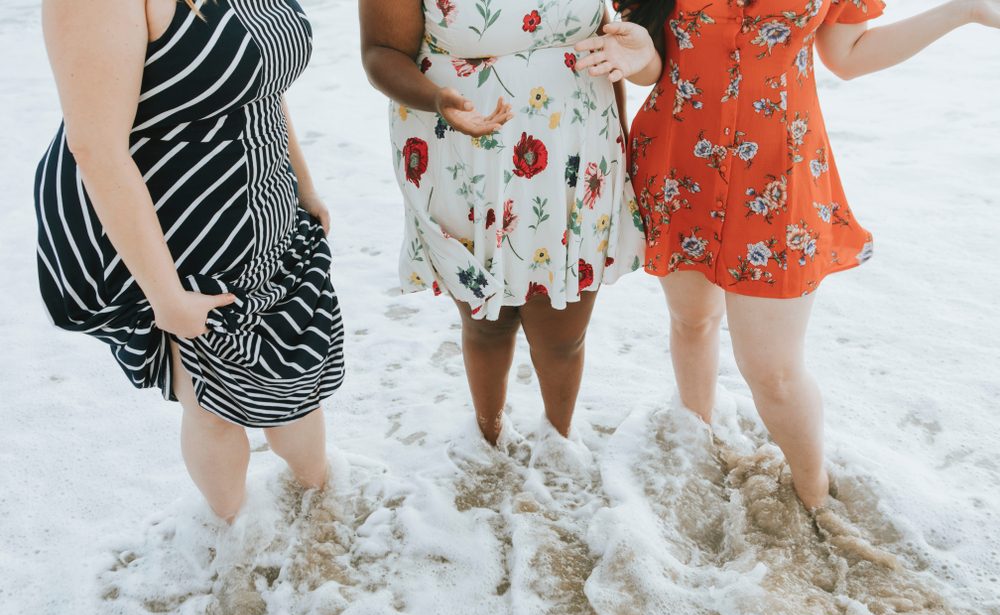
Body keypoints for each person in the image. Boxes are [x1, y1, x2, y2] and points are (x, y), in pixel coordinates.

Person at [574, 0, 1000, 508]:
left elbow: (851, 54)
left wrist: (965, 12)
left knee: (773, 372)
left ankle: (815, 499)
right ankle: (696, 451)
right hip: (680, 161)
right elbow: (653, 60)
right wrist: (635, 59)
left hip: (778, 175)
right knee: (692, 321)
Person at [35, 0, 346, 522]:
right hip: (183, 238)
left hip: (272, 206)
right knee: (213, 407)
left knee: (297, 381)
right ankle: (236, 539)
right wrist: (165, 297)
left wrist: (303, 182)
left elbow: (260, 74)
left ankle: (324, 511)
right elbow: (94, 147)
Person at [360, 0, 646, 446]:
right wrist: (437, 100)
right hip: (463, 152)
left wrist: (622, 144)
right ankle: (488, 441)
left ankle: (560, 448)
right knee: (486, 322)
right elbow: (380, 50)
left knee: (563, 332)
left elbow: (602, 39)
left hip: (578, 149)